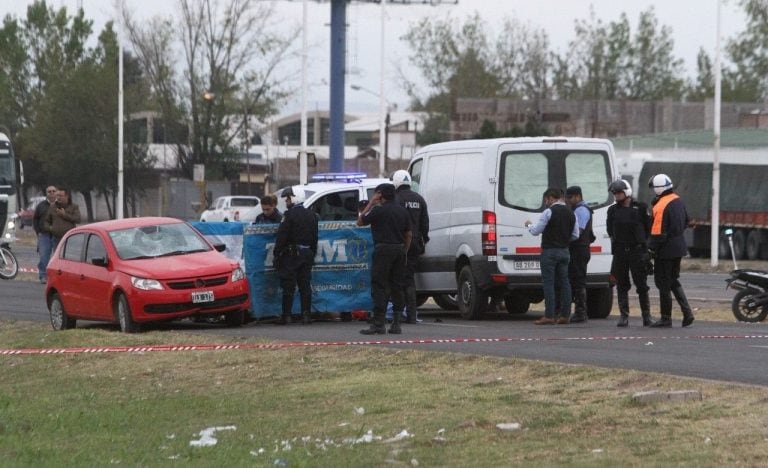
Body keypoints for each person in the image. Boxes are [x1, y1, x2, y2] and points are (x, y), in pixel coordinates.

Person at [357, 183, 412, 335]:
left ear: (380, 195)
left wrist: (370, 203)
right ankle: (396, 323)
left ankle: (379, 323)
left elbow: (360, 221)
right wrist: (404, 251)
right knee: (397, 286)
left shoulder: (378, 210)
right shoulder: (403, 211)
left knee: (379, 286)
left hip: (383, 249)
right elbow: (409, 234)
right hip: (399, 249)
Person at [647, 174, 694, 328]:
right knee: (673, 280)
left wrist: (650, 250)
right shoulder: (678, 200)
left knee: (663, 283)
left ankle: (666, 318)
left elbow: (657, 233)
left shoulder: (661, 205)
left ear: (659, 188)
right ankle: (687, 313)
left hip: (666, 249)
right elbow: (688, 221)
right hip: (679, 246)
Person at [525, 188, 579, 325]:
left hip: (549, 251)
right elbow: (575, 235)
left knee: (549, 283)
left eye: (546, 200)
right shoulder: (571, 213)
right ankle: (565, 316)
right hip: (565, 251)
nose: (546, 203)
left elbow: (536, 231)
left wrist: (529, 225)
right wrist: (564, 240)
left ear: (550, 198)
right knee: (565, 283)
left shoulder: (548, 212)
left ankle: (549, 315)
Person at [607, 179, 654, 327]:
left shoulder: (640, 208)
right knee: (621, 284)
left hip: (637, 251)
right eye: (614, 193)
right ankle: (624, 316)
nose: (616, 196)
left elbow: (648, 228)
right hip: (620, 251)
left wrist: (645, 249)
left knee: (641, 285)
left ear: (626, 192)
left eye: (619, 193)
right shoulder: (612, 210)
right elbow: (610, 230)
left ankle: (646, 316)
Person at [274, 187, 319, 325]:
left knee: (289, 286)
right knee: (305, 286)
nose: (286, 201)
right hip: (307, 254)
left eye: (288, 198)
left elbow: (282, 236)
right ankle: (306, 316)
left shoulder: (289, 215)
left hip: (292, 255)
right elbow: (315, 237)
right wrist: (312, 254)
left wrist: (277, 253)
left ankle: (286, 316)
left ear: (295, 198)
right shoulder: (312, 215)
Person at [392, 169, 429, 324]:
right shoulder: (420, 199)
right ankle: (412, 314)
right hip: (415, 244)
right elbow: (425, 224)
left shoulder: (395, 200)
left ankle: (399, 314)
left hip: (400, 244)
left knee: (398, 279)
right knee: (410, 279)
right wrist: (423, 241)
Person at [565, 186, 594, 323]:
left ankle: (581, 312)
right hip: (578, 249)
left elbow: (578, 231)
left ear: (578, 196)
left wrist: (564, 240)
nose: (568, 201)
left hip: (579, 249)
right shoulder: (577, 209)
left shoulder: (581, 210)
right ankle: (579, 311)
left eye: (570, 198)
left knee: (579, 280)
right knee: (575, 279)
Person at [44, 187, 81, 252]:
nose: (58, 198)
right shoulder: (52, 207)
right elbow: (46, 221)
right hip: (56, 239)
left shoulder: (74, 206)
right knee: (58, 258)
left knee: (69, 257)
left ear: (67, 196)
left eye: (61, 196)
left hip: (70, 238)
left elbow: (78, 219)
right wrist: (50, 228)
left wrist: (64, 215)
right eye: (57, 195)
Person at [33, 185, 57, 284]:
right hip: (44, 236)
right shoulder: (41, 206)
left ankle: (55, 278)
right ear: (46, 193)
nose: (51, 193)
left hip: (57, 236)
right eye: (49, 191)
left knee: (57, 258)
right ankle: (43, 276)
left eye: (53, 191)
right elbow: (35, 219)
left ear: (56, 192)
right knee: (44, 257)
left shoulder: (61, 205)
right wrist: (38, 232)